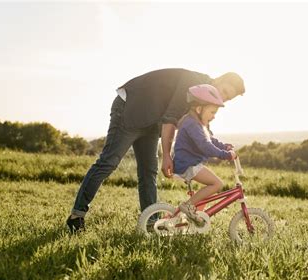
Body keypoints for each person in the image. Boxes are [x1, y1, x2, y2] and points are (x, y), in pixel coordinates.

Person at [66, 68, 245, 233]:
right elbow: (171, 118)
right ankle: (77, 216)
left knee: (148, 171)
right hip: (131, 107)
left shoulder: (205, 98)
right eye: (225, 91)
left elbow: (201, 130)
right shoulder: (193, 82)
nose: (222, 98)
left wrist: (221, 147)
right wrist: (167, 155)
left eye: (227, 98)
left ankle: (151, 223)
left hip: (151, 122)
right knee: (108, 162)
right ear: (219, 79)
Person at [173, 84, 237, 226]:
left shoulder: (197, 123)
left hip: (189, 163)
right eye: (212, 112)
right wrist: (225, 155)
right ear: (199, 109)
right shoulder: (192, 124)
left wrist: (223, 146)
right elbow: (206, 146)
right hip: (188, 164)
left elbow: (210, 140)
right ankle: (188, 206)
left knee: (205, 195)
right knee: (216, 184)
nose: (213, 117)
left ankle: (189, 218)